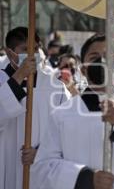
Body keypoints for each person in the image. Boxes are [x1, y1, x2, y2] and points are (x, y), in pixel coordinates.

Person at [32, 34, 114, 189]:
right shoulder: (62, 115)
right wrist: (85, 178)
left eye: (108, 56)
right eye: (94, 56)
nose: (102, 61)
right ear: (83, 69)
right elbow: (42, 169)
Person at [0, 27, 70, 189]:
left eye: (36, 49)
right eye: (25, 49)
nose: (33, 54)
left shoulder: (56, 88)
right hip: (6, 166)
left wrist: (42, 152)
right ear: (10, 53)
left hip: (41, 168)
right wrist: (19, 76)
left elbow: (65, 129)